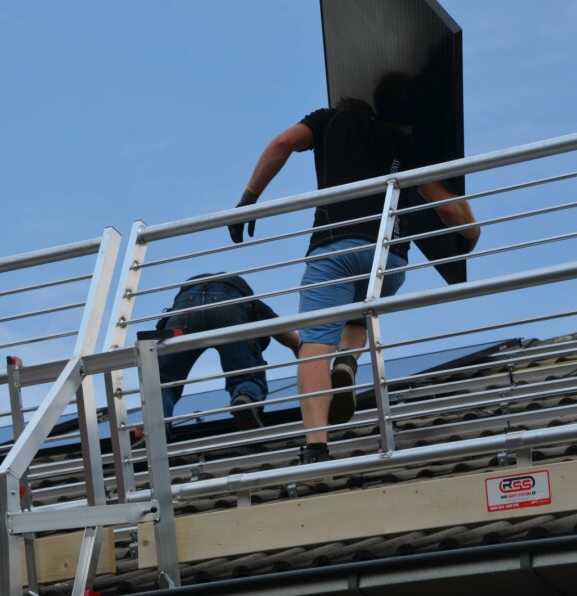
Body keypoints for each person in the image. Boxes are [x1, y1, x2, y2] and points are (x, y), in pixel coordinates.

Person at [229, 72, 480, 464]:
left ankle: (316, 445)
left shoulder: (328, 120)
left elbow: (283, 143)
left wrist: (249, 199)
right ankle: (348, 359)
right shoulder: (407, 145)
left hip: (335, 251)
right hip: (389, 261)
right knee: (358, 313)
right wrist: (470, 235)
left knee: (314, 345)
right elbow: (448, 208)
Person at [148, 273, 299, 439]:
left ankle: (154, 427)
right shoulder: (251, 303)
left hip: (185, 302)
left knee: (164, 381)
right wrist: (309, 362)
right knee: (246, 374)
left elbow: (153, 344)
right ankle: (245, 398)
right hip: (230, 298)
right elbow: (292, 339)